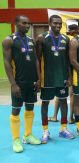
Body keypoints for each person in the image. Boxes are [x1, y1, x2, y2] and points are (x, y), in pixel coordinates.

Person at [2, 15, 41, 153]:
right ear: (16, 24)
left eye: (28, 23)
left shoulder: (31, 40)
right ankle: (16, 139)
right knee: (16, 110)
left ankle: (28, 135)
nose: (27, 25)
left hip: (32, 82)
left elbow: (36, 60)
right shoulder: (8, 40)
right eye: (24, 23)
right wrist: (13, 84)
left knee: (30, 108)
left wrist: (39, 78)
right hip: (19, 82)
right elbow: (6, 62)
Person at [36, 15, 74, 143]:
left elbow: (69, 61)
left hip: (62, 78)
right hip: (47, 78)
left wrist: (69, 76)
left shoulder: (66, 39)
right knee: (45, 103)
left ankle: (63, 128)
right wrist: (38, 78)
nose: (58, 26)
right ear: (49, 23)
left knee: (63, 102)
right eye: (55, 23)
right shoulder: (42, 38)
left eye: (59, 24)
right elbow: (37, 59)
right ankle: (45, 130)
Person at [49, 24, 79, 123]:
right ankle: (70, 117)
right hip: (71, 70)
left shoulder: (68, 38)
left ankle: (54, 116)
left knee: (60, 94)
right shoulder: (72, 39)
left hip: (66, 69)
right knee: (71, 94)